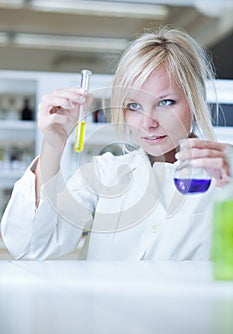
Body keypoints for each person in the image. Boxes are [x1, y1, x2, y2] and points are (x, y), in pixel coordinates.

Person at [1, 26, 231, 260]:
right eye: (134, 106)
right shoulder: (105, 174)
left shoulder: (224, 175)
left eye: (165, 102)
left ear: (194, 100)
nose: (147, 123)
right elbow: (30, 246)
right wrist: (53, 142)